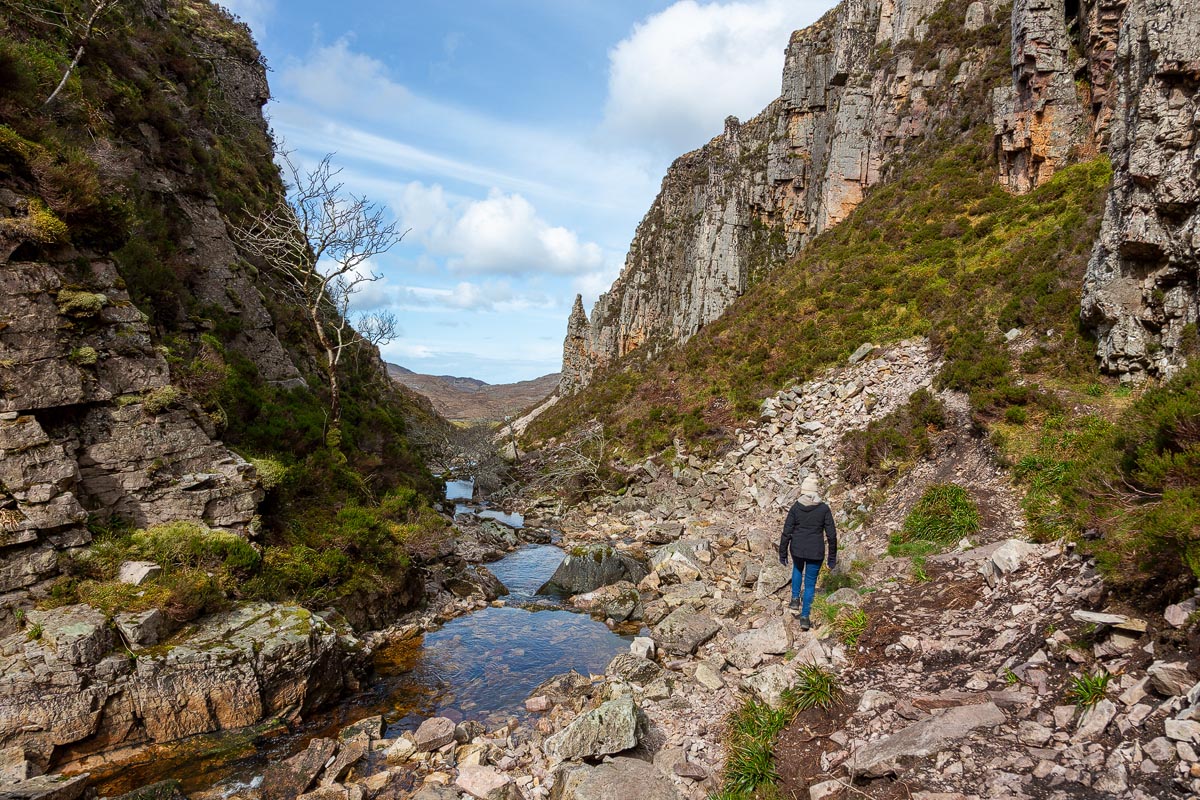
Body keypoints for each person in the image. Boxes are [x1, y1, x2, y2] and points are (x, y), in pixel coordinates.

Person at [779, 488, 837, 630]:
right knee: (810, 584)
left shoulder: (796, 507)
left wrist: (783, 552)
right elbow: (831, 535)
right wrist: (832, 558)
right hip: (815, 550)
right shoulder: (824, 509)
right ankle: (804, 618)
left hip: (797, 548)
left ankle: (794, 599)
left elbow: (787, 532)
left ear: (803, 492)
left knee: (797, 569)